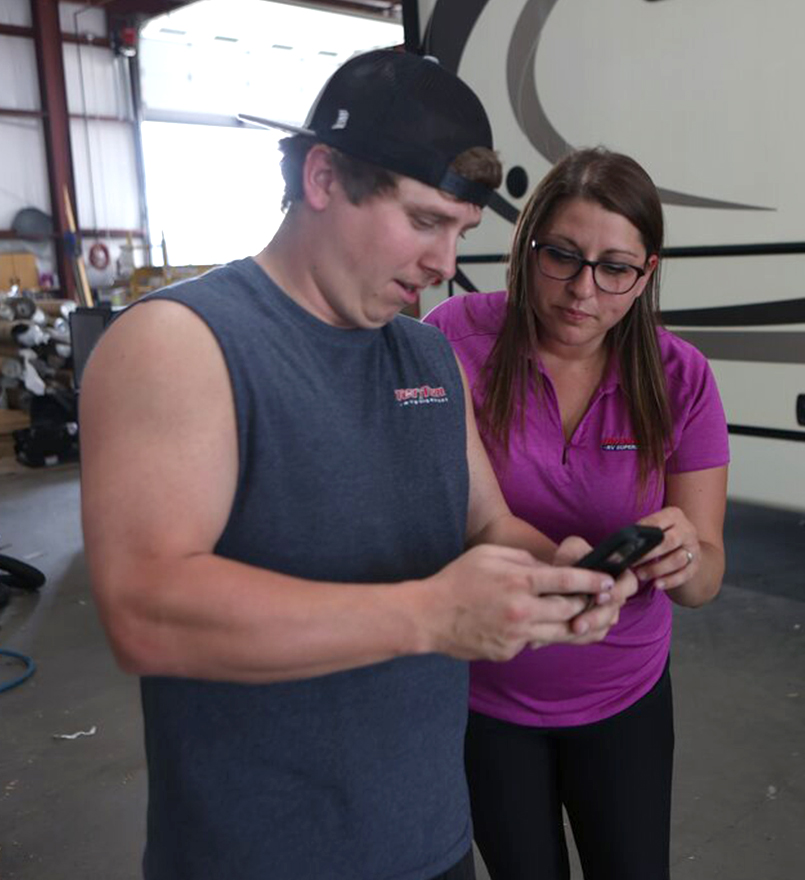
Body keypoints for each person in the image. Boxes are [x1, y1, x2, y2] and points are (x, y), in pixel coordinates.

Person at [78, 52, 636, 880]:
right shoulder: (182, 343)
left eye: (461, 232)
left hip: (433, 840)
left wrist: (560, 570)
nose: (446, 263)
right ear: (322, 176)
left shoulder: (427, 355)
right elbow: (146, 613)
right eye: (422, 222)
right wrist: (431, 617)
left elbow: (487, 523)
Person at [424, 147, 730, 880]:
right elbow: (462, 519)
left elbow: (707, 576)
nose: (582, 291)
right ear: (527, 245)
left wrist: (683, 555)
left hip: (622, 693)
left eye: (615, 268)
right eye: (562, 256)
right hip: (487, 695)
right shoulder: (453, 341)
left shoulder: (680, 376)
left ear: (647, 273)